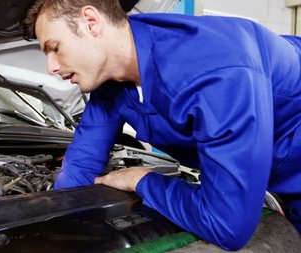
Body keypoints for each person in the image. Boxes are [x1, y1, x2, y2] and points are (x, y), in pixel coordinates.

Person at [23, 0, 301, 250]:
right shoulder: (109, 83)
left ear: (91, 22)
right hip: (267, 171)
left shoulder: (215, 71)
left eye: (54, 48)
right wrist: (50, 225)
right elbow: (82, 164)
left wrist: (142, 179)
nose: (50, 67)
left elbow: (227, 226)